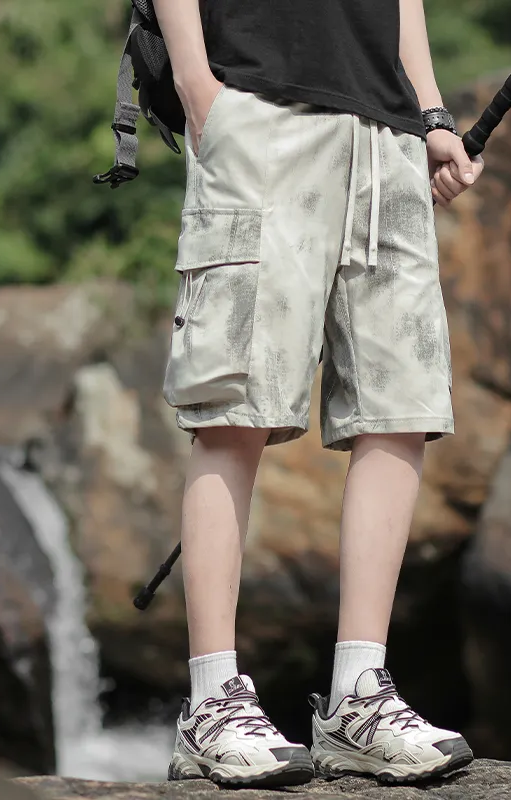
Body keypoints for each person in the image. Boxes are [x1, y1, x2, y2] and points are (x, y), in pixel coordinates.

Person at [154, 0, 484, 787]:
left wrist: (431, 111)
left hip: (388, 129)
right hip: (259, 105)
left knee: (399, 406)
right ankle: (211, 702)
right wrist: (199, 89)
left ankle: (358, 700)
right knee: (233, 407)